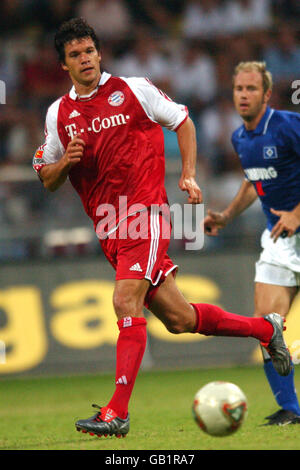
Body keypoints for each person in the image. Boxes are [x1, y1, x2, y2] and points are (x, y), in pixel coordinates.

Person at [33, 20, 291, 438]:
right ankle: (267, 329)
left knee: (124, 300)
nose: (85, 59)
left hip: (145, 215)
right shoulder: (58, 114)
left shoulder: (134, 89)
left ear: (100, 53)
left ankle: (117, 412)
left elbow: (183, 122)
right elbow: (47, 176)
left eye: (89, 51)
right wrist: (65, 163)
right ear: (64, 65)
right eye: (75, 55)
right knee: (181, 319)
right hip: (108, 228)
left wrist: (188, 175)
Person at [203, 61, 300, 426]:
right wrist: (227, 215)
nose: (244, 95)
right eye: (239, 89)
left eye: (251, 89)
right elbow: (252, 181)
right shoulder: (239, 138)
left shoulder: (289, 126)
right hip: (279, 241)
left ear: (266, 94)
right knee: (266, 327)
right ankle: (291, 409)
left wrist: (297, 213)